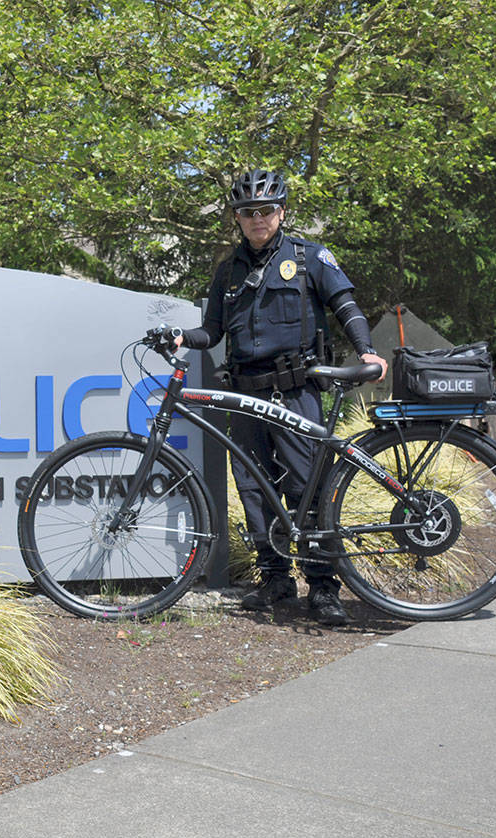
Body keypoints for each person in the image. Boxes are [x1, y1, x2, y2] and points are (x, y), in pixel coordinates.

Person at [175, 168, 388, 626]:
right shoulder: (228, 271)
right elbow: (212, 331)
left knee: (307, 488)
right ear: (237, 218)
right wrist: (181, 337)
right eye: (248, 212)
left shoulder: (310, 258)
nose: (258, 218)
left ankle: (323, 587)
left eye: (266, 210)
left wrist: (367, 349)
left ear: (282, 212)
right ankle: (275, 578)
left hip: (295, 392)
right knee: (255, 489)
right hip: (244, 395)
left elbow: (345, 305)